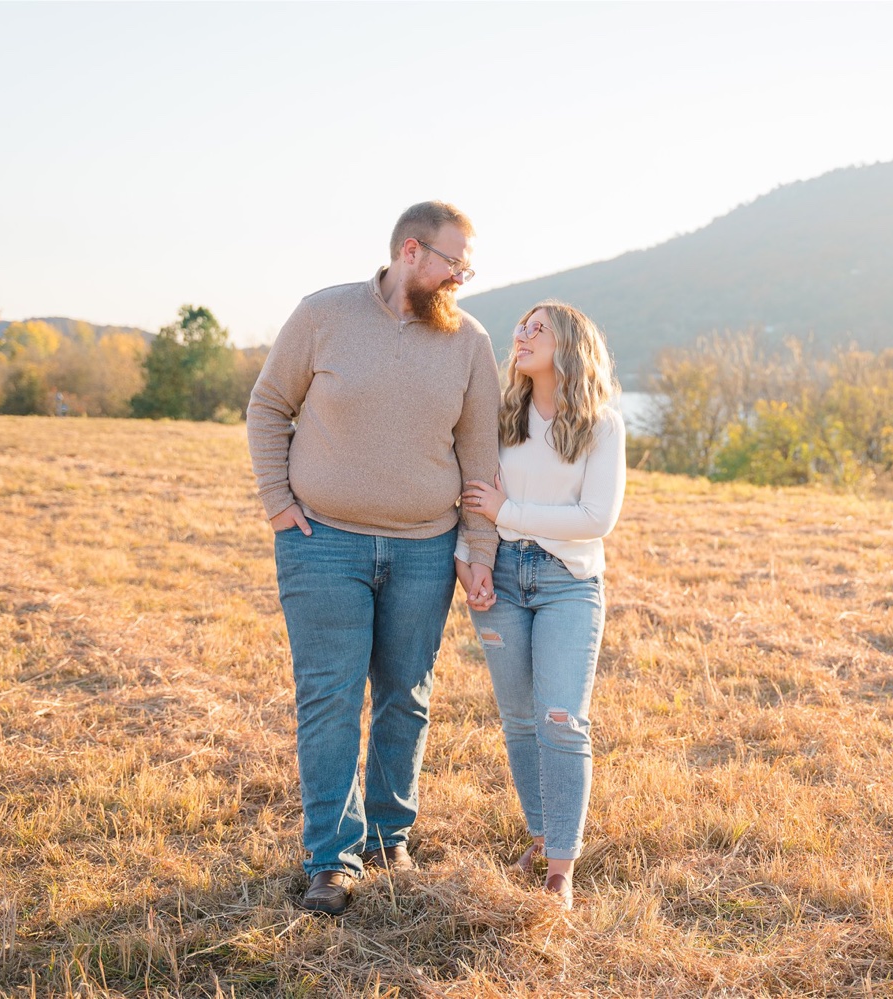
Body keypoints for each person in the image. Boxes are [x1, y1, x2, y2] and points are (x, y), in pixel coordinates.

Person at [247, 201, 500, 915]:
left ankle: (390, 836)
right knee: (328, 699)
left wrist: (476, 544)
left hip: (425, 548)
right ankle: (332, 857)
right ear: (412, 252)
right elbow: (268, 406)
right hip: (322, 541)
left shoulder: (471, 342)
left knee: (405, 696)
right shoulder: (323, 314)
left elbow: (481, 455)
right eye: (456, 262)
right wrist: (277, 499)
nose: (462, 277)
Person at [458, 300, 626, 909]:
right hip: (499, 578)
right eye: (521, 327)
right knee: (521, 721)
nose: (522, 335)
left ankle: (561, 868)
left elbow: (596, 519)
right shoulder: (500, 417)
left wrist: (510, 515)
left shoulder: (601, 426)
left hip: (568, 583)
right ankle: (539, 832)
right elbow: (470, 497)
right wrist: (467, 559)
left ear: (570, 347)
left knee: (561, 721)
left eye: (538, 329)